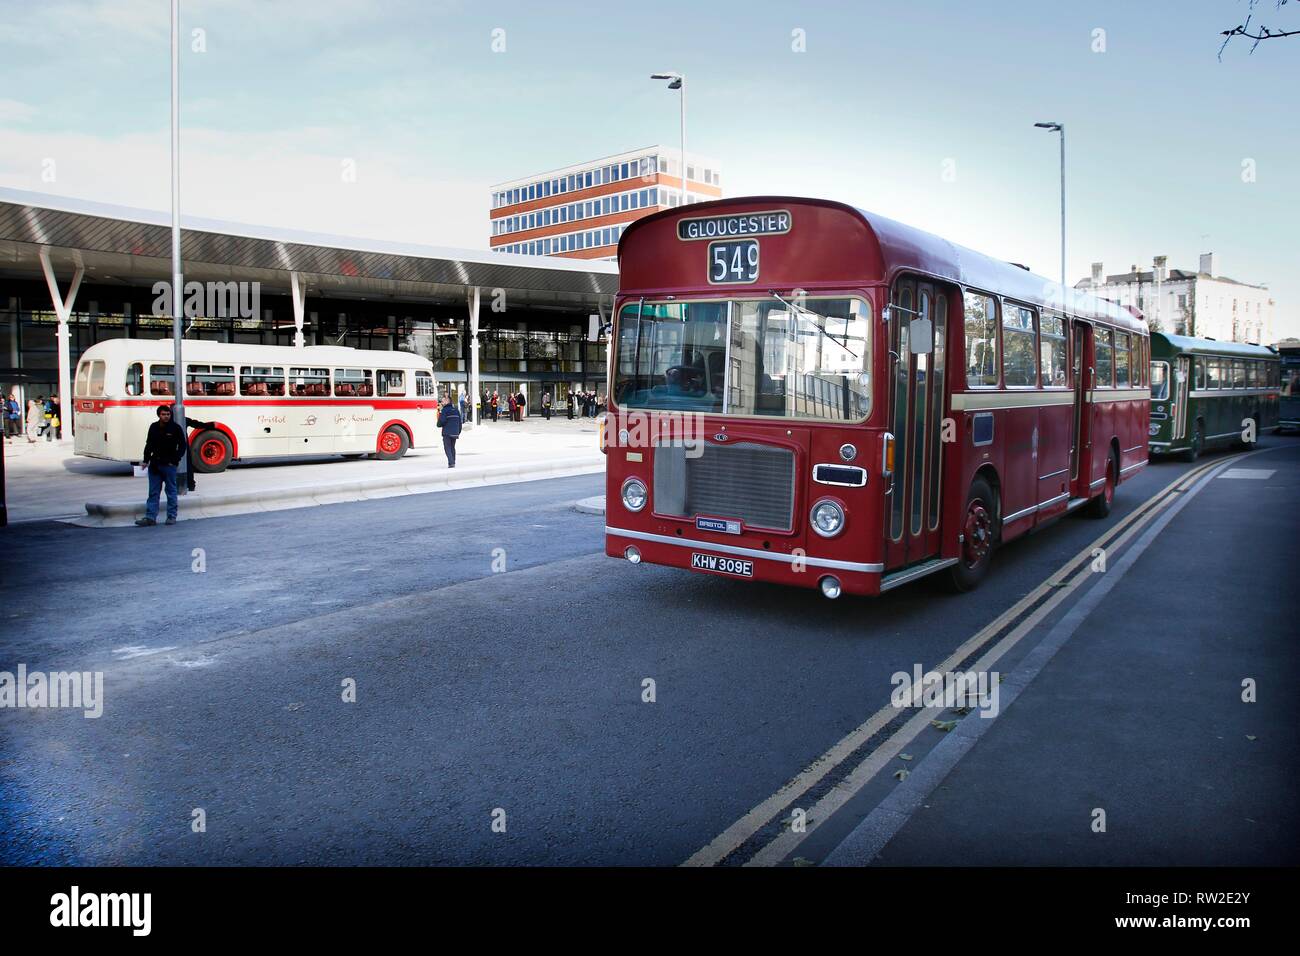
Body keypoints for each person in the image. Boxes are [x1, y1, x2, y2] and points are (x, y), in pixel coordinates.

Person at [135, 404, 186, 526]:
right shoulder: (153, 427)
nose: (166, 417)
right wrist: (146, 460)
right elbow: (149, 444)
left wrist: (175, 460)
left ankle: (171, 516)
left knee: (171, 491)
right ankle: (150, 517)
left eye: (168, 414)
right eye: (163, 414)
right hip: (155, 465)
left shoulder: (175, 428)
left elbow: (182, 446)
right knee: (153, 492)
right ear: (159, 415)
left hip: (169, 465)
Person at [437, 395, 462, 467]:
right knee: (452, 447)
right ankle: (453, 461)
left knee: (447, 447)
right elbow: (460, 422)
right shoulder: (456, 410)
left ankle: (451, 463)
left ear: (447, 402)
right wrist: (458, 432)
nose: (441, 402)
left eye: (443, 401)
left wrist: (439, 422)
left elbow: (441, 422)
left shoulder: (444, 410)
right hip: (455, 433)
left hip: (447, 433)